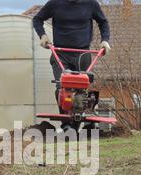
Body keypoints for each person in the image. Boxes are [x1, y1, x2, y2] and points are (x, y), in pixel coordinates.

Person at [33, 0, 111, 130]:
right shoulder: (55, 3)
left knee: (82, 88)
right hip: (60, 53)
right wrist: (43, 36)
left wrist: (105, 40)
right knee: (62, 86)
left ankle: (81, 122)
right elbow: (37, 19)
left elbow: (103, 22)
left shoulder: (91, 4)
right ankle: (66, 124)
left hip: (83, 52)